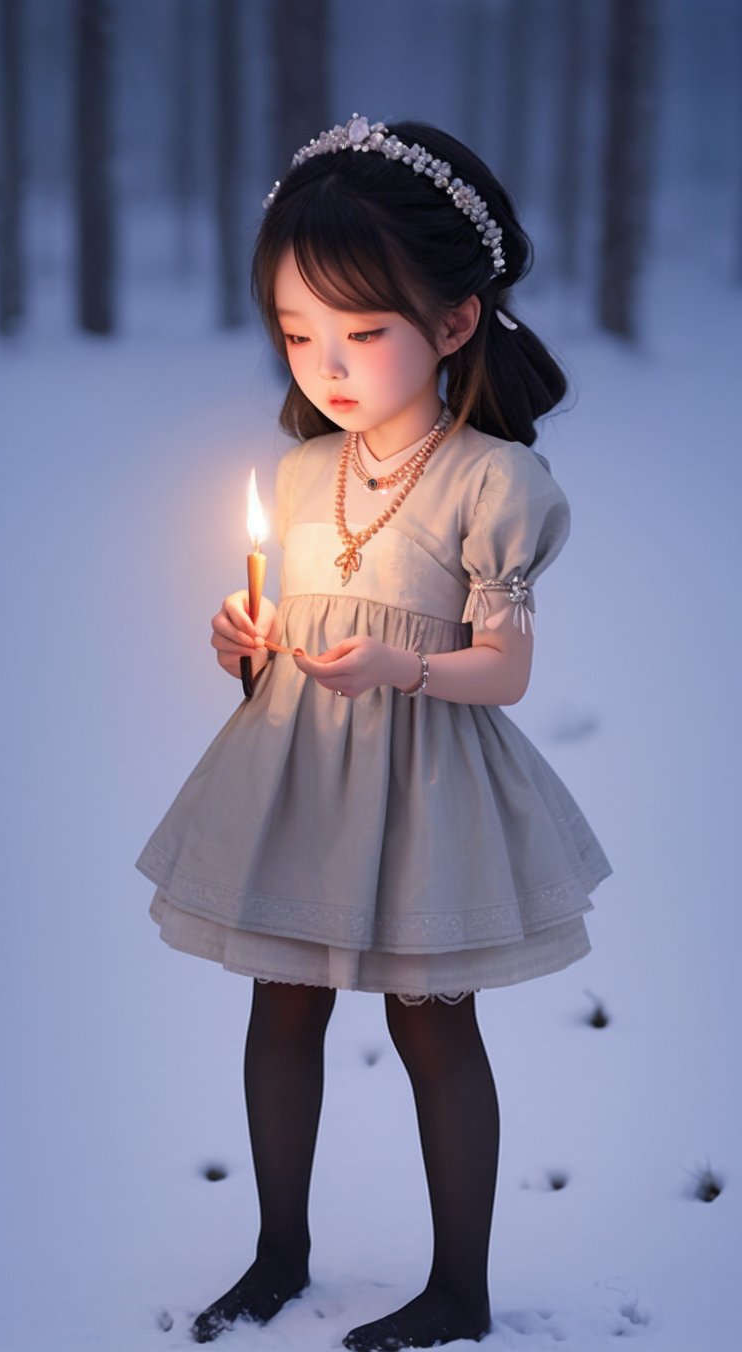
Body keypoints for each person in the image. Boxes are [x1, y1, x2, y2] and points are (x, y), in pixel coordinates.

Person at [136, 114, 612, 1350]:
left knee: (430, 1015)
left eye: (362, 332)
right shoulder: (302, 476)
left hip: (426, 780)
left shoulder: (491, 484)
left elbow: (505, 670)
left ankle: (460, 1284)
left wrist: (406, 662)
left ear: (455, 324)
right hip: (301, 777)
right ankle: (278, 1248)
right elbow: (287, 645)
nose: (327, 365)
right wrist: (248, 649)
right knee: (281, 1005)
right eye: (298, 335)